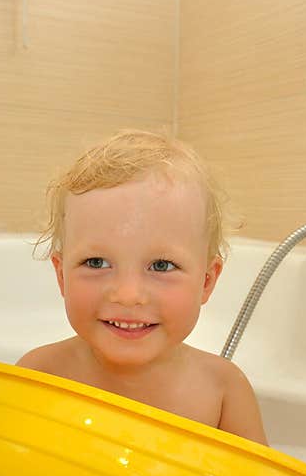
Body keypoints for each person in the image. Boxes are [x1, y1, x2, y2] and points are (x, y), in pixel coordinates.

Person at [16, 129, 268, 445]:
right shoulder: (40, 377)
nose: (128, 295)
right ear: (61, 275)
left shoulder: (222, 392)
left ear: (207, 281)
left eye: (161, 266)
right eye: (96, 263)